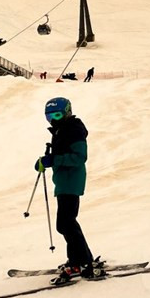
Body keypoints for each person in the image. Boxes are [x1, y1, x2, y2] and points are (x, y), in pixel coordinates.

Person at [34, 97, 101, 282]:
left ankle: (82, 261)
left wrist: (54, 160)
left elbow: (79, 157)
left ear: (67, 112)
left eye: (56, 115)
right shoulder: (62, 130)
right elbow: (61, 155)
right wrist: (45, 161)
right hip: (63, 182)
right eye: (49, 117)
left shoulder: (74, 130)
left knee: (65, 223)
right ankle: (79, 259)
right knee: (66, 223)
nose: (53, 120)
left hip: (71, 181)